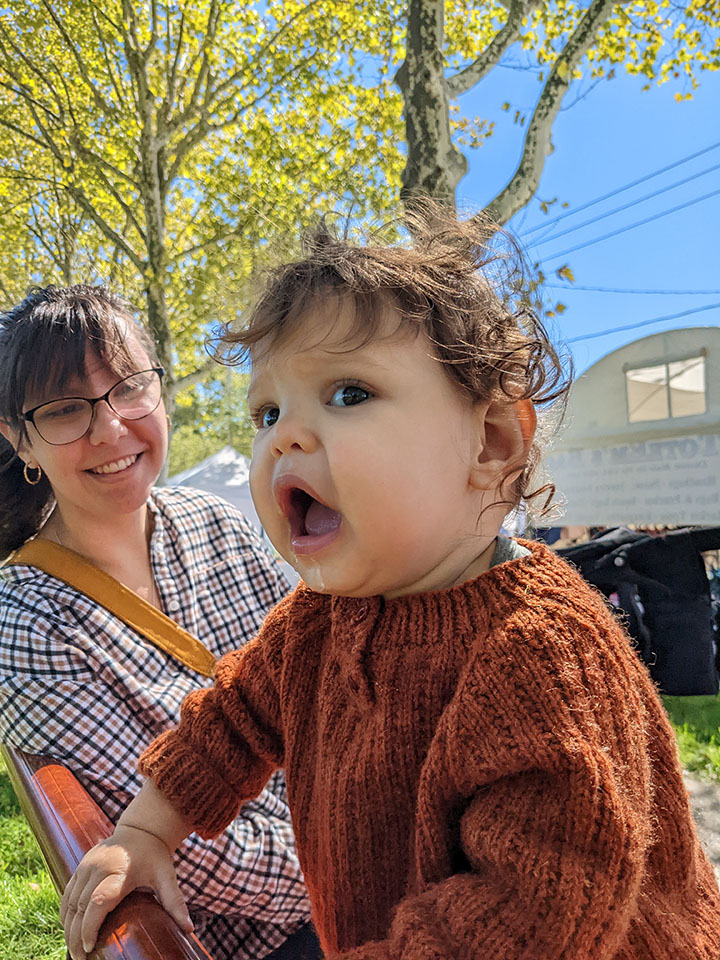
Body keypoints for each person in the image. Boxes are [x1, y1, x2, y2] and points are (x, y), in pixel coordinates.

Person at [61, 210, 720, 960]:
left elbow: (532, 918)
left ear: (492, 442)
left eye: (347, 394)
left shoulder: (540, 654)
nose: (285, 436)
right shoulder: (316, 621)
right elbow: (230, 723)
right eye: (267, 411)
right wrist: (145, 832)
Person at [0, 285, 321, 960]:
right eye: (64, 408)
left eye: (128, 387)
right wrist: (374, 858)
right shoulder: (27, 624)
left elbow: (326, 690)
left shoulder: (220, 525)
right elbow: (205, 856)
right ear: (18, 439)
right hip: (282, 930)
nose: (110, 427)